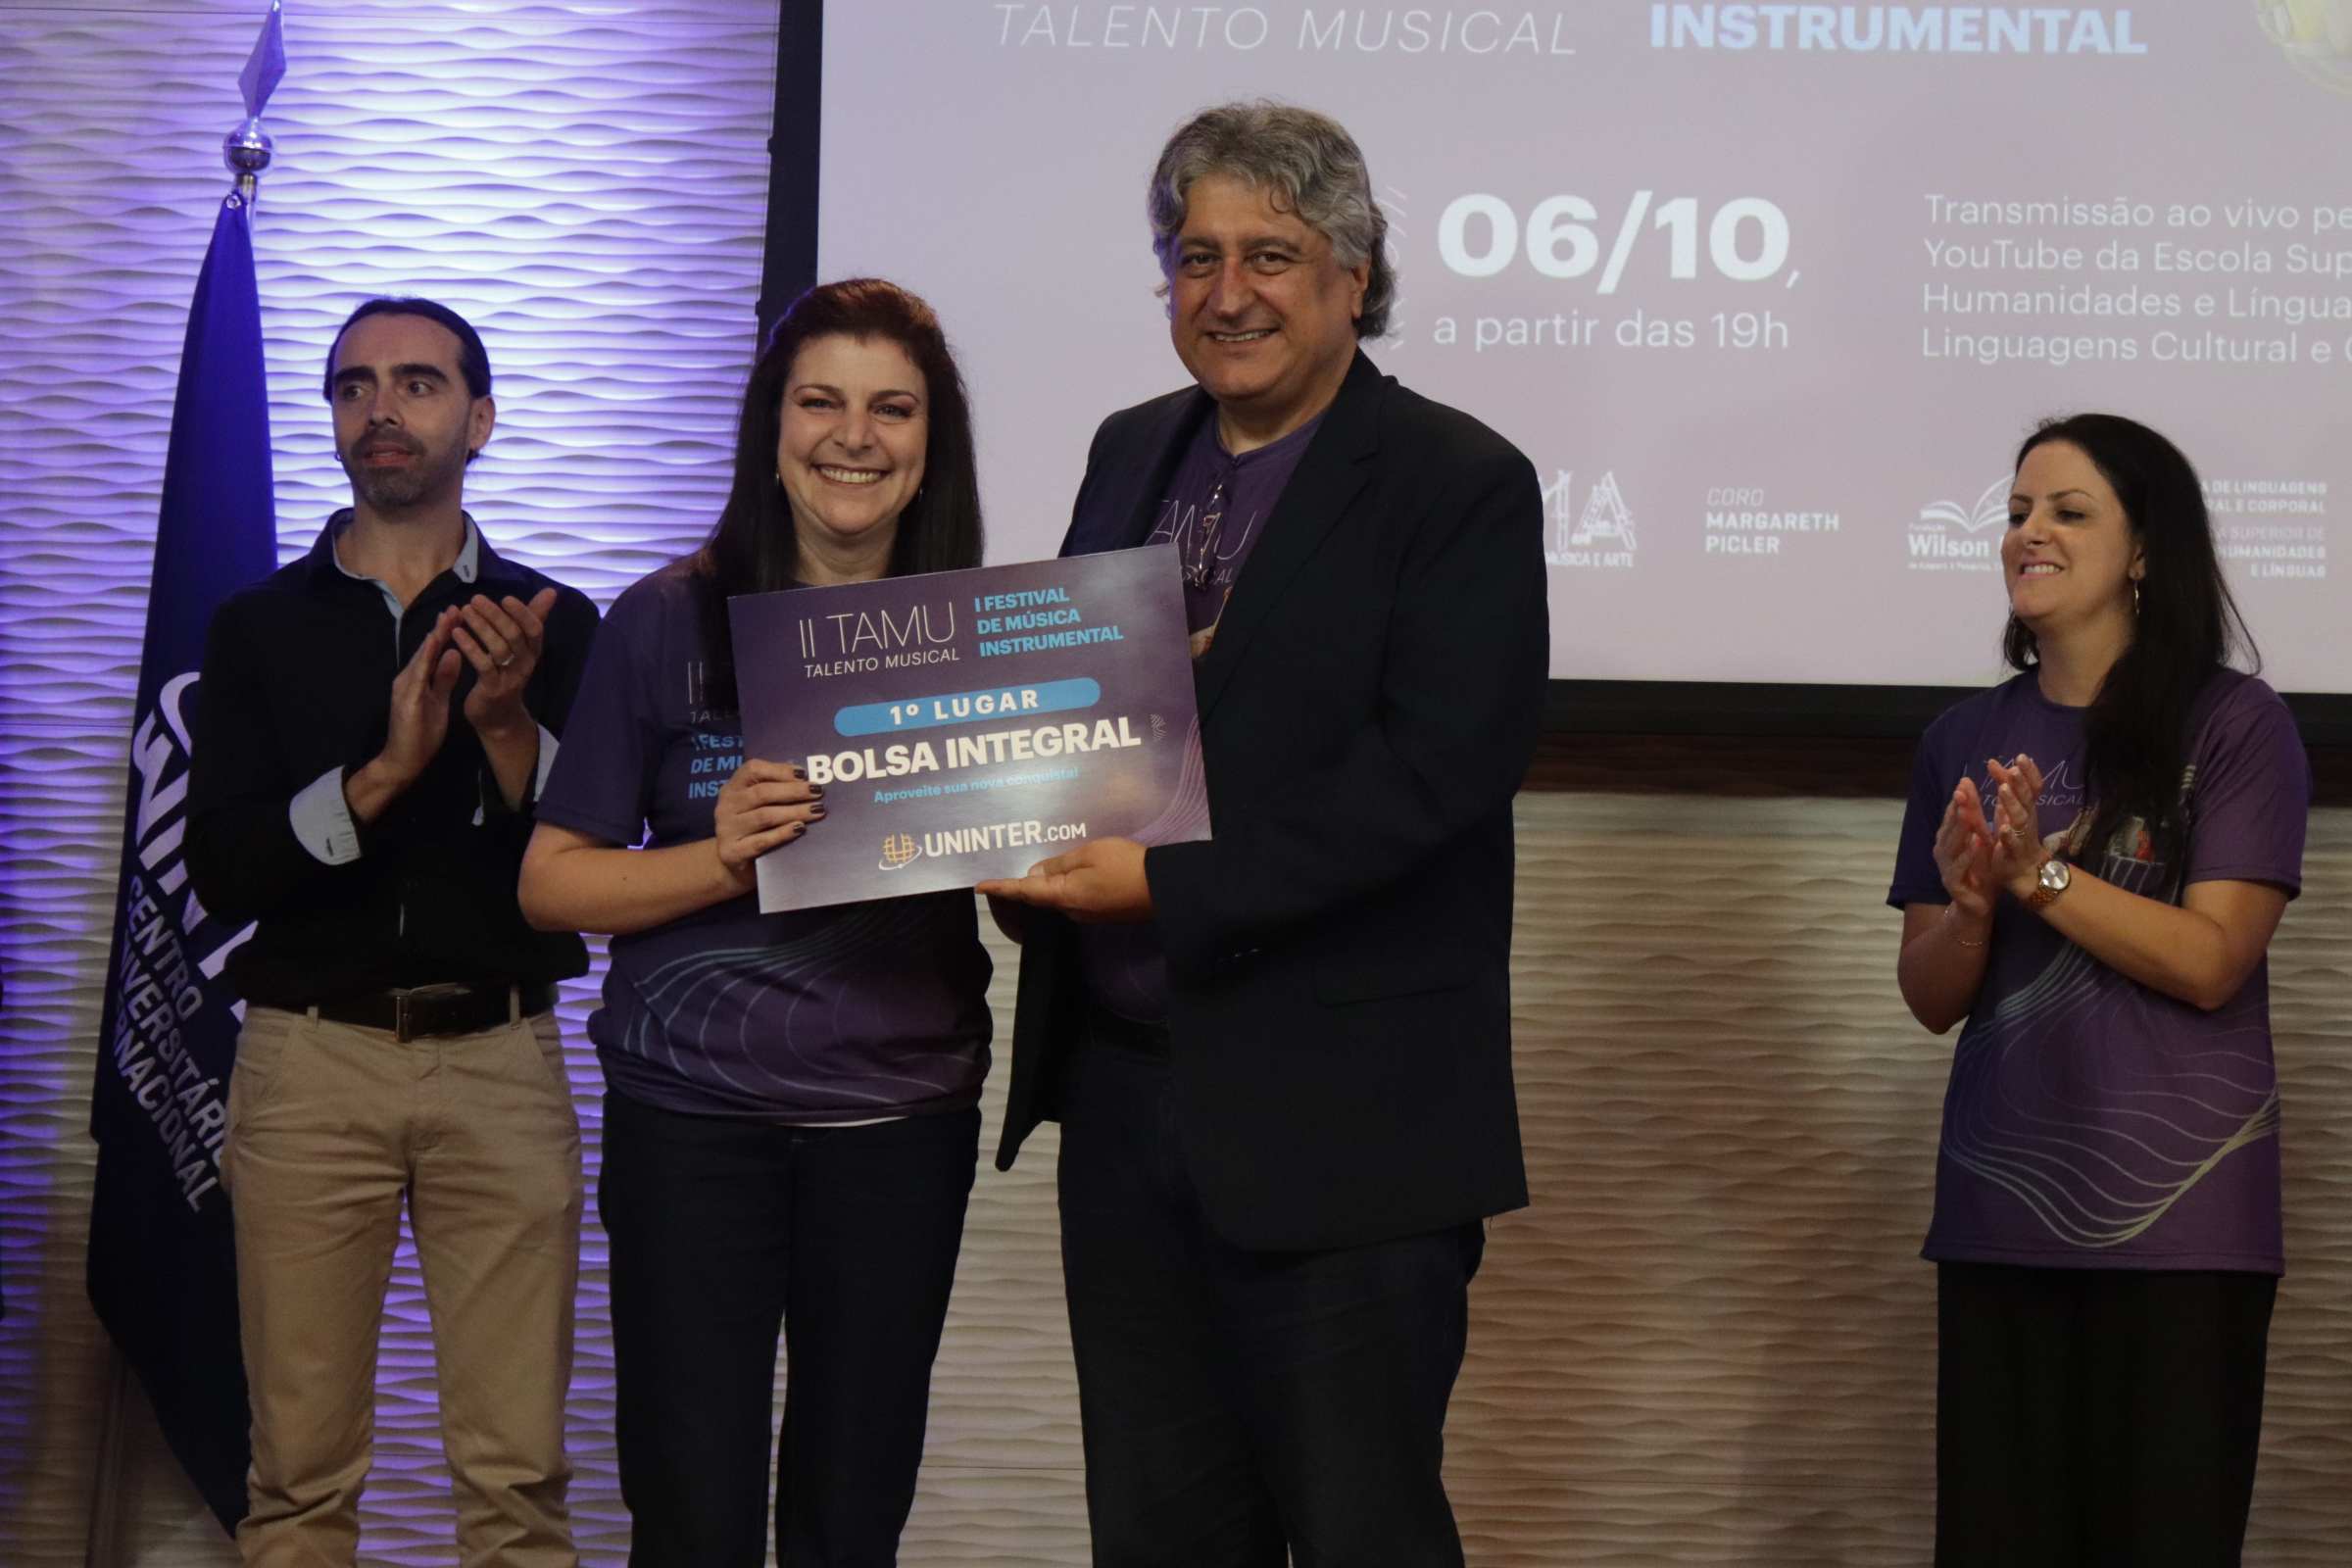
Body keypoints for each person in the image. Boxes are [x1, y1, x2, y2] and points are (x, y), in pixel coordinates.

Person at [978, 102, 1549, 1567]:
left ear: (1355, 275)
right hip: (1125, 1107)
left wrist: (1162, 889)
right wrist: (1011, 843)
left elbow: (1436, 777)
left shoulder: (1457, 481)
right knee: (1156, 1538)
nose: (1227, 293)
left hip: (1346, 1130)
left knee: (1362, 1531)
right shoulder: (1129, 450)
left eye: (1271, 256)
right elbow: (1086, 718)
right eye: (1196, 257)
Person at [515, 278, 993, 1568]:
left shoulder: (983, 640)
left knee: (852, 1519)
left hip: (899, 1128)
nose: (855, 437)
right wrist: (721, 858)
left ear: (931, 441)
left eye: (893, 409)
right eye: (820, 401)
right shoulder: (663, 619)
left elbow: (1045, 864)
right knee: (692, 1514)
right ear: (771, 427)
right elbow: (552, 883)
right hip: (690, 1126)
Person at [185, 296, 601, 1566]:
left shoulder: (554, 619)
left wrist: (506, 728)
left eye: (418, 382)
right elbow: (222, 869)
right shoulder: (258, 625)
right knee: (298, 1482)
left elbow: (595, 856)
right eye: (354, 385)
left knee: (518, 1486)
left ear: (480, 418)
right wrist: (383, 773)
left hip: (502, 1062)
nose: (382, 408)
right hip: (311, 1064)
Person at [1888, 414, 2311, 1567]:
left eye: (2070, 512)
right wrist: (1973, 911)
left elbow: (2213, 958)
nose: (2030, 532)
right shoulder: (1962, 738)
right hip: (1998, 1217)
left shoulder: (2237, 723)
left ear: (2145, 552)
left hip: (2185, 1230)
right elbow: (1930, 993)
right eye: (2019, 511)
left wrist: (2042, 876)